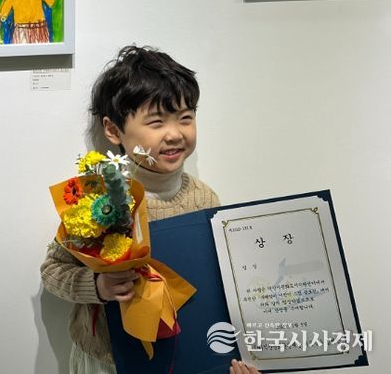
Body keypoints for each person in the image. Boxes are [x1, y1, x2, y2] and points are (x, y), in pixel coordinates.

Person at [40, 46, 261, 374]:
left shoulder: (205, 199)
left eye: (185, 118)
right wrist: (98, 286)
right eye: (156, 122)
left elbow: (222, 283)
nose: (174, 134)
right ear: (113, 130)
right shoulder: (94, 201)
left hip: (183, 354)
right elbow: (52, 271)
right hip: (107, 360)